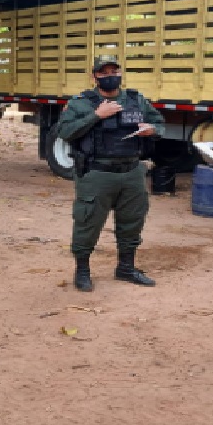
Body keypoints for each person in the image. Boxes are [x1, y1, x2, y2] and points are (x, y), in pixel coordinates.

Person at [56, 59, 165, 292]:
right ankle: (82, 271)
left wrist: (152, 130)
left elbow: (159, 123)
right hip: (97, 173)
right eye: (103, 72)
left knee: (132, 222)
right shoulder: (81, 103)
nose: (109, 75)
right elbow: (64, 131)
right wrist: (97, 115)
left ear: (120, 73)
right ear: (94, 76)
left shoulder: (136, 99)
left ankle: (126, 268)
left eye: (114, 71)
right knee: (87, 222)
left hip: (132, 171)